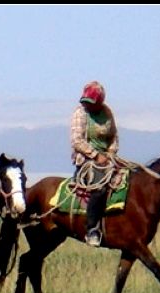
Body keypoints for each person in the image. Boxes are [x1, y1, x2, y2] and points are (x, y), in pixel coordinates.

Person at [70, 80, 120, 247]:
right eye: (86, 102)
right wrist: (96, 155)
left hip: (108, 158)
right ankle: (92, 229)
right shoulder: (80, 113)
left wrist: (111, 153)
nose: (88, 105)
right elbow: (77, 141)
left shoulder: (107, 112)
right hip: (87, 160)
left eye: (92, 103)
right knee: (100, 186)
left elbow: (113, 136)